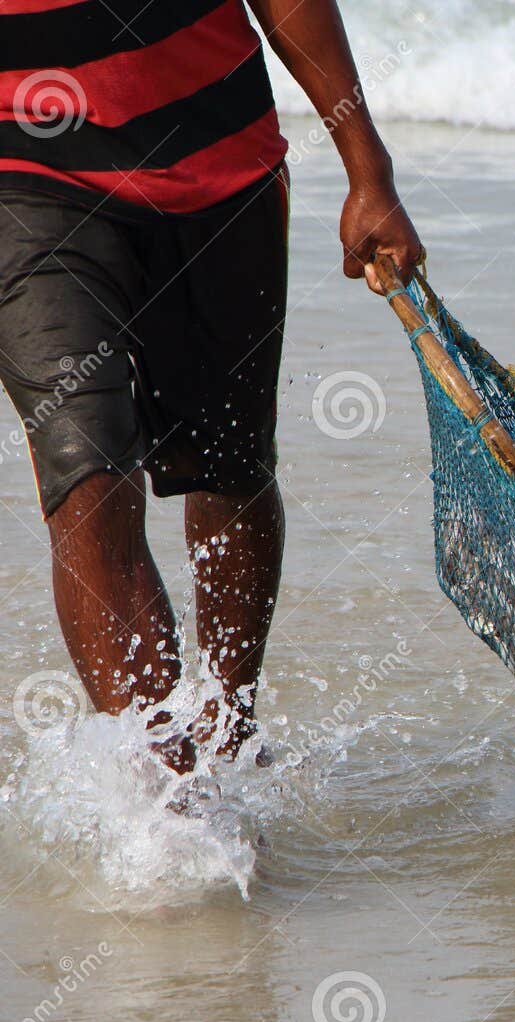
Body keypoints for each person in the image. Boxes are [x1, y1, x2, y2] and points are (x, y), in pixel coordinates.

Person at [0, 0, 423, 772]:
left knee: (231, 468)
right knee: (85, 466)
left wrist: (369, 169)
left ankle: (229, 730)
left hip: (217, 163)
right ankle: (171, 794)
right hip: (25, 177)